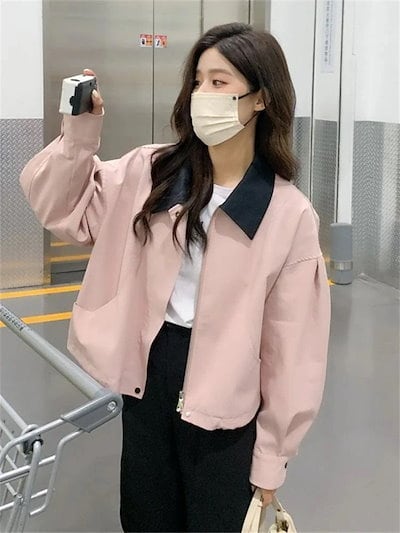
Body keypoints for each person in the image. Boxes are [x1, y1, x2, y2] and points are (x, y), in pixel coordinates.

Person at [20, 22, 331, 533]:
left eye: (219, 82)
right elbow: (60, 207)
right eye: (198, 81)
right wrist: (78, 135)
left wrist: (272, 459)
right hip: (151, 370)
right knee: (145, 516)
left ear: (261, 99)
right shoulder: (152, 172)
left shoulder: (287, 214)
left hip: (228, 394)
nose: (202, 95)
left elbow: (293, 351)